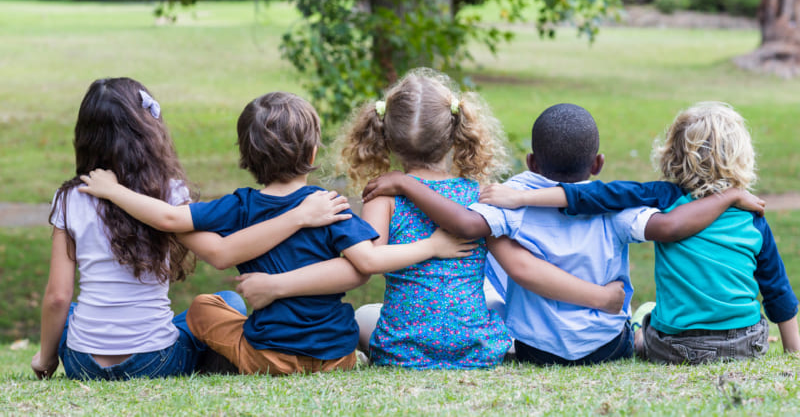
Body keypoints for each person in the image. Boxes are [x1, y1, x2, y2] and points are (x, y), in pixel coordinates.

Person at [80, 90, 474, 375]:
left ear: (246, 158)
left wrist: (114, 191)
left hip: (268, 355)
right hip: (337, 355)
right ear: (314, 153)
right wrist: (433, 246)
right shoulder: (329, 204)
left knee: (204, 307)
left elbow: (169, 220)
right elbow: (362, 268)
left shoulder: (241, 206)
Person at [362, 103, 766, 366]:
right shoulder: (616, 204)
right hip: (607, 346)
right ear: (598, 163)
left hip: (536, 350)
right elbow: (671, 226)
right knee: (639, 324)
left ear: (532, 161)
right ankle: (643, 330)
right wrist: (729, 196)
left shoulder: (511, 199)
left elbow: (470, 228)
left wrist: (405, 184)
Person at [32, 78, 357, 381]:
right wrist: (299, 217)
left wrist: (46, 360)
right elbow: (220, 253)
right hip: (154, 359)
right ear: (150, 130)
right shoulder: (169, 195)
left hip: (82, 363)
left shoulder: (69, 198)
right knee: (223, 301)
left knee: (75, 312)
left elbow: (58, 297)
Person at [492, 101, 800, 364]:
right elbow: (777, 291)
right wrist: (792, 353)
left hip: (676, 348)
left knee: (646, 316)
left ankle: (640, 333)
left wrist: (522, 198)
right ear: (743, 158)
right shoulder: (752, 218)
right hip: (746, 344)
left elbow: (591, 196)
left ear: (672, 154)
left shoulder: (662, 197)